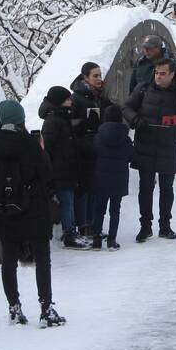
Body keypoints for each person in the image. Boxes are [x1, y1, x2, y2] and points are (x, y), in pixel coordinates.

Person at [0, 100, 65, 327]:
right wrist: (41, 150)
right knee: (42, 259)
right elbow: (46, 175)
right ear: (20, 120)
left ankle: (14, 307)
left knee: (9, 259)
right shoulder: (29, 144)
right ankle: (46, 309)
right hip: (34, 208)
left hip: (6, 209)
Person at [123, 58, 176, 242]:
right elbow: (126, 107)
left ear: (173, 74)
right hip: (145, 144)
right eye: (157, 73)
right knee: (145, 187)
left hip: (169, 145)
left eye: (163, 73)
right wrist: (135, 119)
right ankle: (145, 226)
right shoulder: (143, 89)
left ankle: (165, 226)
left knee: (167, 188)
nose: (158, 76)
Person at [39, 86, 87, 249]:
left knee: (70, 201)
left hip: (67, 168)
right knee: (67, 202)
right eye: (67, 99)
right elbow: (48, 147)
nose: (71, 101)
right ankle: (69, 234)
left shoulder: (62, 117)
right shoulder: (53, 120)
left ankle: (71, 232)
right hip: (60, 170)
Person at [69, 62, 113, 239]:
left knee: (95, 189)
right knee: (85, 190)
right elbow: (70, 124)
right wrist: (85, 123)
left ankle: (93, 226)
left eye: (100, 75)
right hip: (83, 149)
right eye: (95, 76)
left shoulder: (98, 96)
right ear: (85, 77)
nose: (99, 79)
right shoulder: (77, 98)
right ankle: (84, 226)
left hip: (97, 146)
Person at [91, 104, 134, 250]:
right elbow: (130, 156)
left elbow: (94, 153)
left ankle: (96, 240)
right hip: (119, 179)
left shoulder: (98, 137)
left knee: (99, 210)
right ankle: (111, 240)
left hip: (101, 178)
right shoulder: (126, 139)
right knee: (115, 210)